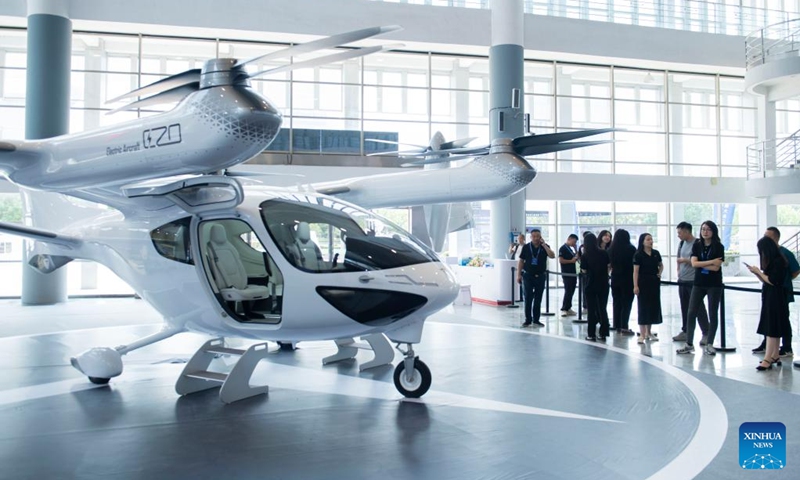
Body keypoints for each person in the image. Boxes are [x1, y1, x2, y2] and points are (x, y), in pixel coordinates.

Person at [676, 220, 724, 356]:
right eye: (703, 229)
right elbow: (694, 263)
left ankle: (709, 343)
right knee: (691, 312)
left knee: (712, 313)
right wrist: (710, 262)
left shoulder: (718, 247)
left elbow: (716, 268)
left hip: (714, 284)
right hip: (698, 283)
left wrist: (702, 264)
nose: (705, 232)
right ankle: (689, 344)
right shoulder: (697, 245)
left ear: (713, 231)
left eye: (708, 229)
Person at [752, 227, 800, 356]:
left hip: (781, 291)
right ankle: (768, 348)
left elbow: (795, 270)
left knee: (782, 317)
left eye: (767, 237)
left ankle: (786, 346)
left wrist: (783, 279)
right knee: (771, 319)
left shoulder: (784, 254)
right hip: (770, 291)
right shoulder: (769, 255)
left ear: (775, 238)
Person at [748, 237, 789, 370]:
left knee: (772, 327)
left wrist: (759, 272)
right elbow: (766, 280)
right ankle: (775, 354)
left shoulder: (778, 261)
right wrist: (757, 274)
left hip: (776, 297)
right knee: (774, 326)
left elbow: (773, 281)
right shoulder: (774, 261)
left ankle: (767, 358)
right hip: (771, 295)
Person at [673, 222, 708, 342]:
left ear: (687, 231)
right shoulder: (681, 243)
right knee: (685, 306)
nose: (678, 235)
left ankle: (706, 332)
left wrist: (686, 261)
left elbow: (699, 261)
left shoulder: (698, 244)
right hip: (682, 280)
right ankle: (686, 330)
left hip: (694, 281)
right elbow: (678, 259)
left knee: (698, 308)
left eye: (680, 232)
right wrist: (678, 270)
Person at [517, 229, 555, 327]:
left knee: (538, 298)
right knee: (528, 298)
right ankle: (528, 319)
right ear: (530, 237)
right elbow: (521, 261)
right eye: (533, 236)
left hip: (540, 276)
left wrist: (544, 245)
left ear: (540, 237)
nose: (536, 238)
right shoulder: (526, 247)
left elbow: (552, 255)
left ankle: (536, 319)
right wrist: (518, 275)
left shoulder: (545, 247)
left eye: (538, 236)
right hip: (528, 276)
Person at [633, 233, 663, 344]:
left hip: (654, 282)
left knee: (652, 306)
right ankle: (642, 333)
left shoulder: (656, 253)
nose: (650, 241)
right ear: (642, 241)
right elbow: (635, 271)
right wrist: (635, 285)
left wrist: (659, 273)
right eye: (648, 239)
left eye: (651, 239)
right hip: (643, 282)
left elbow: (661, 265)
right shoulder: (638, 255)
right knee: (643, 307)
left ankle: (649, 332)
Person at [581, 232, 610, 341]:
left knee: (591, 310)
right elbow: (608, 266)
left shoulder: (585, 255)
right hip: (603, 283)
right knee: (602, 308)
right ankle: (603, 333)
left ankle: (591, 334)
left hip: (591, 284)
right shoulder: (604, 253)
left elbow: (584, 270)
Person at [609, 228, 636, 335]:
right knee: (627, 303)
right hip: (628, 279)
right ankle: (624, 325)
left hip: (615, 278)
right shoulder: (631, 249)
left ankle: (616, 324)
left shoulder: (611, 249)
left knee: (616, 302)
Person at [559, 234, 579, 316]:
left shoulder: (571, 249)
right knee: (568, 290)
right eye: (574, 241)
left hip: (573, 272)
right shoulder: (563, 248)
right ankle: (564, 308)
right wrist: (571, 261)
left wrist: (575, 249)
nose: (574, 243)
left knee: (572, 290)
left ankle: (568, 307)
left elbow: (576, 257)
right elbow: (561, 260)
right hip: (566, 273)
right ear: (569, 239)